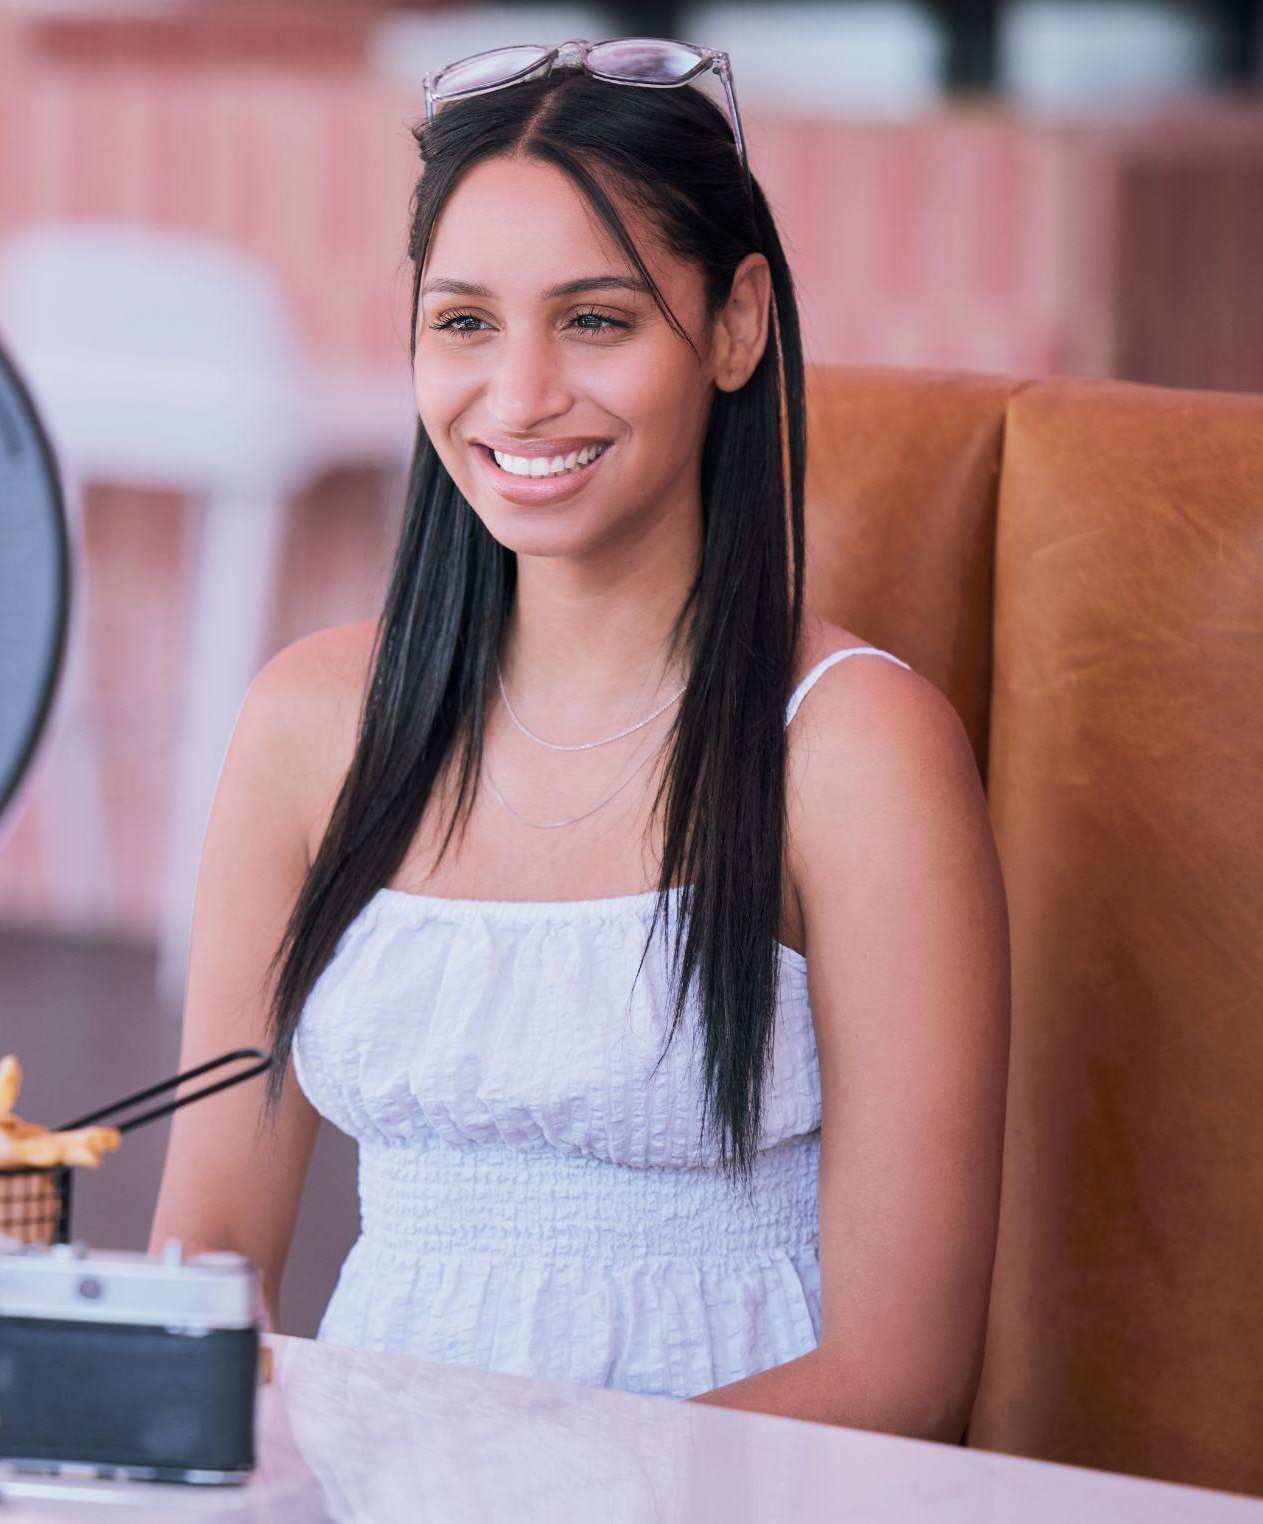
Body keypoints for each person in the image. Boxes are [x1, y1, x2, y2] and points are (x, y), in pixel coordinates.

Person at [148, 40, 1009, 1441]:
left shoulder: (853, 749)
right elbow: (207, 1271)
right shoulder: (311, 725)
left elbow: (902, 1376)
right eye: (466, 323)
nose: (521, 395)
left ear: (735, 326)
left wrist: (512, 1488)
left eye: (596, 321)